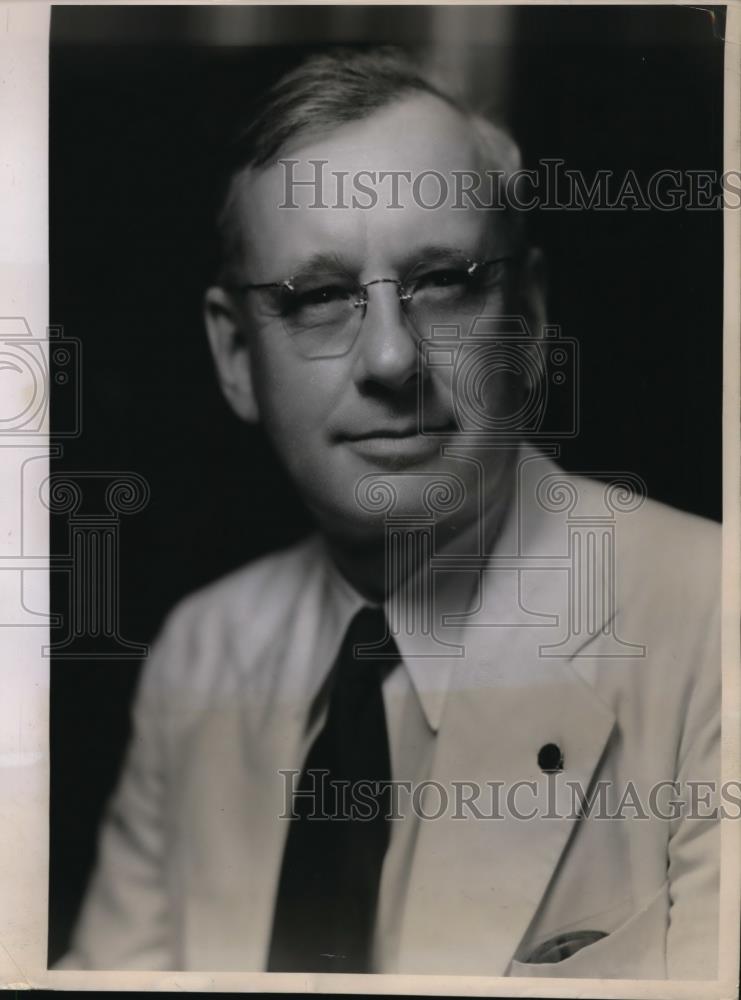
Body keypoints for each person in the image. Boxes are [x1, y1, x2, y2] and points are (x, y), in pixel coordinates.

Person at [61, 48, 720, 979]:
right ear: (235, 356)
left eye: (444, 280)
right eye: (318, 297)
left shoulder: (713, 623)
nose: (387, 360)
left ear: (527, 319)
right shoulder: (197, 655)